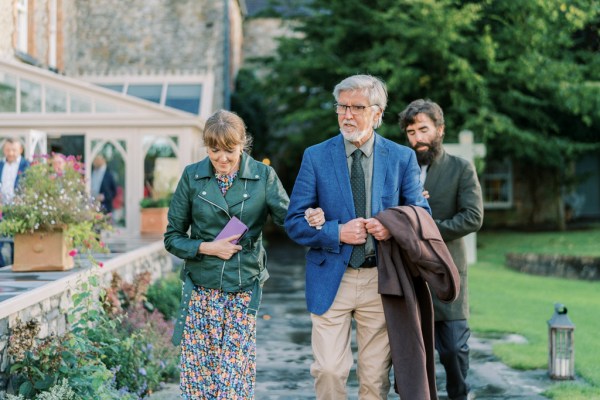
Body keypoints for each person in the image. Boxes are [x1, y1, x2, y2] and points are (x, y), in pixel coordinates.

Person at [285, 74, 430, 400]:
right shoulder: (316, 156)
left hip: (381, 279)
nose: (347, 115)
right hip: (330, 280)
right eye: (342, 107)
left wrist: (392, 226)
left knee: (374, 380)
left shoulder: (401, 158)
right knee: (329, 371)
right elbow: (294, 221)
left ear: (377, 114)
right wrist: (336, 231)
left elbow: (422, 217)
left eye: (357, 108)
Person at [164, 109, 292, 399]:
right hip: (200, 290)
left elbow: (290, 219)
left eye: (230, 150)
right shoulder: (192, 176)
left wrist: (313, 215)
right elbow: (172, 238)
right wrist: (208, 247)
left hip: (242, 287)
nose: (222, 158)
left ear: (243, 144)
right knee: (199, 381)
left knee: (232, 382)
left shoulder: (263, 176)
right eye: (214, 150)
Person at [399, 99, 484, 400]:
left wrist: (429, 229)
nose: (417, 138)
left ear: (440, 130)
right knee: (412, 358)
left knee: (454, 350)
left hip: (447, 272)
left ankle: (460, 395)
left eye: (424, 129)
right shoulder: (400, 169)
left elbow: (473, 217)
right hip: (409, 274)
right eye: (411, 132)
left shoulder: (461, 168)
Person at [0, 138, 30, 205]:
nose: (10, 153)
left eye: (14, 150)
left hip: (19, 206)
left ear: (20, 150)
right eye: (7, 150)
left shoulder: (27, 165)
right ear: (3, 150)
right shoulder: (0, 164)